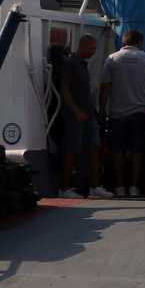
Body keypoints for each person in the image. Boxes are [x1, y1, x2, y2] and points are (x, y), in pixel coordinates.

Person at [99, 29, 145, 197]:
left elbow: (105, 87)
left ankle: (119, 186)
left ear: (123, 42)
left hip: (117, 113)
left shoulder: (112, 59)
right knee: (137, 150)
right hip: (140, 112)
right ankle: (134, 186)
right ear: (140, 42)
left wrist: (102, 109)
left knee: (117, 150)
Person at [51, 31, 102, 198]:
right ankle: (64, 188)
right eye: (92, 48)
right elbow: (64, 90)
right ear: (84, 47)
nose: (94, 52)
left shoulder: (83, 63)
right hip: (75, 115)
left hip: (87, 112)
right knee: (72, 149)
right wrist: (76, 110)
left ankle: (94, 186)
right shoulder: (71, 63)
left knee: (94, 147)